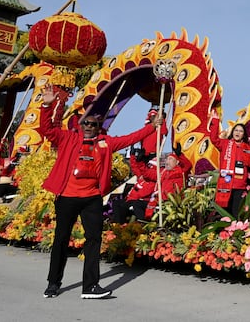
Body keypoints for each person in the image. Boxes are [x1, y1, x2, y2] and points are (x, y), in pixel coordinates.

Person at [38, 83, 161, 299]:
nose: (88, 126)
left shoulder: (106, 143)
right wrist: (47, 106)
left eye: (93, 124)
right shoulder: (68, 139)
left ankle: (90, 287)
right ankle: (53, 283)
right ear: (79, 125)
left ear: (99, 127)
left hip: (91, 199)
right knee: (61, 239)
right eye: (85, 123)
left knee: (94, 240)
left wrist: (152, 127)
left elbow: (131, 138)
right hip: (67, 197)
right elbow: (47, 130)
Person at [210, 113, 250, 216]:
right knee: (223, 213)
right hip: (226, 183)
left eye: (240, 131)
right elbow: (214, 139)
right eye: (236, 130)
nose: (238, 133)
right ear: (233, 132)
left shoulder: (248, 148)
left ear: (243, 134)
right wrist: (215, 121)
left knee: (236, 213)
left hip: (240, 185)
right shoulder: (225, 144)